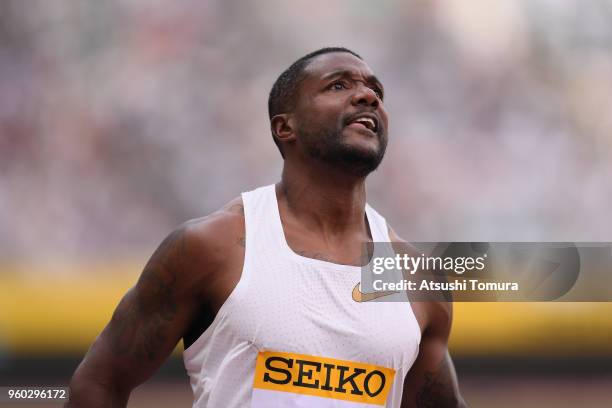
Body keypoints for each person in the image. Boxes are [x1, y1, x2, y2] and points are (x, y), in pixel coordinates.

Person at [66, 47, 466, 407]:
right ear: (284, 127)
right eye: (338, 85)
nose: (368, 96)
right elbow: (99, 383)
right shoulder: (215, 247)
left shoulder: (413, 277)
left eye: (375, 89)